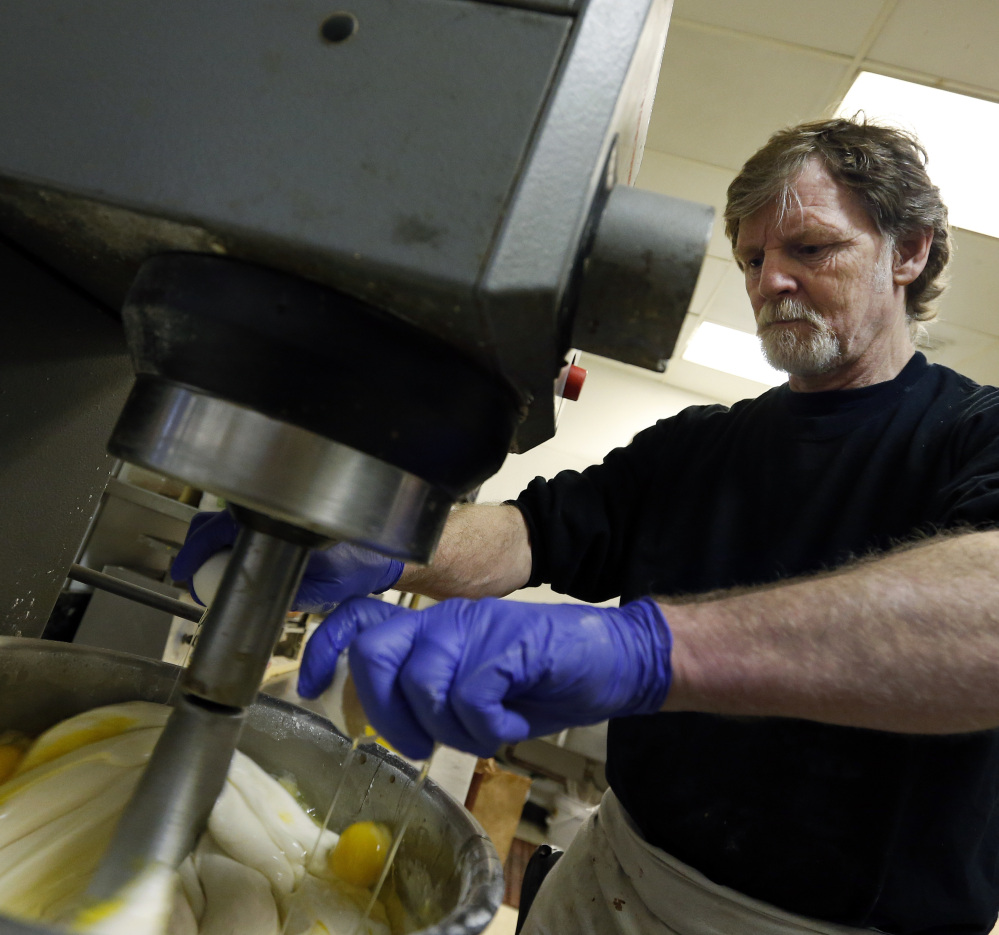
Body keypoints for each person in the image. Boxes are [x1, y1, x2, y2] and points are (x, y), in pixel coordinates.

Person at [172, 117, 999, 935]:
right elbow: (532, 531)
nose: (769, 280)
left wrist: (650, 651)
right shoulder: (699, 445)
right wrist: (378, 543)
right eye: (752, 258)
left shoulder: (972, 434)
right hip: (620, 871)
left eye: (809, 248)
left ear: (908, 251)